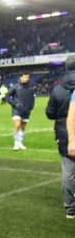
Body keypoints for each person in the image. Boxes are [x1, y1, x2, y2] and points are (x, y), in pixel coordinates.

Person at [48, 55, 75, 218]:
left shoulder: (58, 88)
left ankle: (70, 208)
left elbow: (50, 113)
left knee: (68, 170)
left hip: (64, 132)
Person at [6, 73, 35, 150]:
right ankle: (16, 143)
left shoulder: (31, 87)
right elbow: (7, 96)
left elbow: (32, 98)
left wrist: (31, 107)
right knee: (17, 125)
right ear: (21, 77)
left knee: (23, 127)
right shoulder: (15, 87)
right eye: (25, 77)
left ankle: (20, 143)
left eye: (28, 77)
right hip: (17, 110)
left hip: (27, 110)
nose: (27, 78)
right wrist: (15, 104)